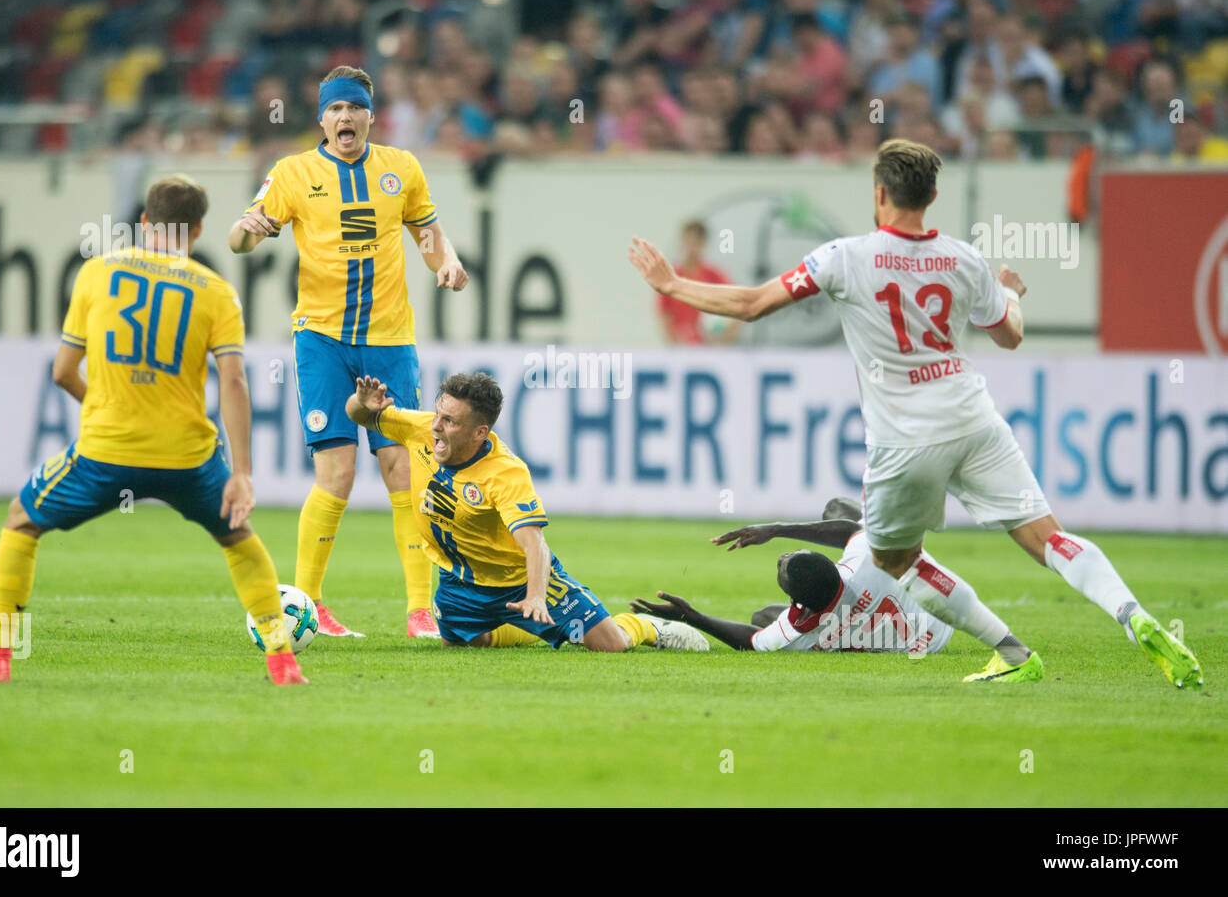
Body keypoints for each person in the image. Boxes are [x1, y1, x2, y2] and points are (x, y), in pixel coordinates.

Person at [628, 139, 1202, 688]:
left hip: (905, 439)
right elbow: (1009, 335)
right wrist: (1013, 292)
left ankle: (1014, 654)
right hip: (975, 419)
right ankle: (1132, 614)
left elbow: (751, 306)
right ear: (932, 196)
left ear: (880, 193)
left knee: (898, 561)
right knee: (1047, 538)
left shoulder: (844, 258)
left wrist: (671, 283)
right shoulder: (964, 259)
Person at [0, 176, 306, 686]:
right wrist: (243, 474)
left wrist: (102, 405)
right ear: (197, 231)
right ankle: (283, 662)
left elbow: (61, 371)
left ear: (144, 223)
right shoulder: (216, 291)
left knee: (21, 522)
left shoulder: (96, 274)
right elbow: (233, 380)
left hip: (107, 452)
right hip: (187, 457)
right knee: (238, 538)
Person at [229, 65, 469, 640]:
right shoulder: (292, 173)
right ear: (321, 119)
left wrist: (449, 264)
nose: (345, 118)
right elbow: (239, 240)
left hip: (389, 342)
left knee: (404, 470)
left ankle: (419, 611)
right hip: (322, 341)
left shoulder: (401, 169)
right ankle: (308, 603)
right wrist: (247, 227)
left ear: (370, 116)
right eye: (334, 110)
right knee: (336, 472)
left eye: (354, 109)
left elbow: (429, 235)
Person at [344, 372, 709, 653]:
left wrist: (535, 596)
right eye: (439, 414)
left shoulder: (506, 473)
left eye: (450, 422)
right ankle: (526, 629)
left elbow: (534, 543)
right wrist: (361, 402)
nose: (437, 427)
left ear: (479, 432)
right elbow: (359, 416)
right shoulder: (422, 428)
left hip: (519, 579)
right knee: (469, 648)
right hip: (459, 581)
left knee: (608, 645)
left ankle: (646, 627)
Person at [634, 496, 961, 654]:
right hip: (937, 628)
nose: (781, 556)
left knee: (762, 615)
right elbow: (851, 529)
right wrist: (777, 530)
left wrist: (690, 616)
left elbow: (750, 641)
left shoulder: (800, 636)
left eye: (782, 566)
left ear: (796, 603)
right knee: (841, 509)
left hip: (902, 637)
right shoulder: (867, 563)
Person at [657, 219, 740, 345]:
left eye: (696, 243)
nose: (691, 248)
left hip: (709, 347)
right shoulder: (670, 278)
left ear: (703, 244)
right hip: (682, 347)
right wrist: (674, 343)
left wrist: (723, 339)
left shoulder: (715, 276)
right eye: (688, 242)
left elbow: (738, 308)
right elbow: (664, 315)